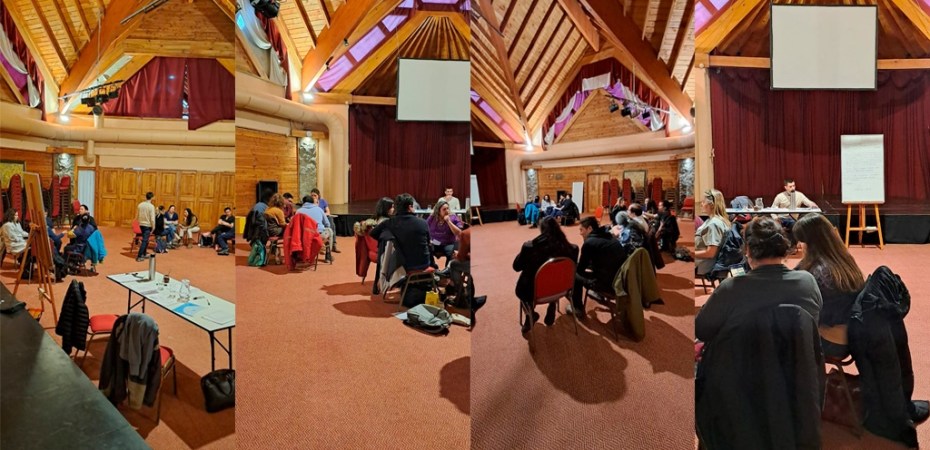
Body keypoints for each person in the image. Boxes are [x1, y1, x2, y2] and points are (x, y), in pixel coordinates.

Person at [695, 216, 823, 448]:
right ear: (783, 247)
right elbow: (811, 328)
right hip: (795, 378)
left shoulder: (731, 288)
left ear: (747, 250)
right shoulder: (807, 282)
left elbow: (702, 329)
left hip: (739, 384)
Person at [792, 213, 863, 358]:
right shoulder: (841, 259)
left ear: (811, 243)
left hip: (831, 342)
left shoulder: (820, 274)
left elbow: (811, 315)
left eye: (801, 241)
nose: (799, 245)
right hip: (851, 337)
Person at [513, 216, 579, 333]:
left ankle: (530, 314)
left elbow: (516, 267)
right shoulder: (572, 249)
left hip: (535, 291)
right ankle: (553, 302)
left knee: (521, 291)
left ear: (541, 229)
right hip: (561, 288)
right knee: (554, 277)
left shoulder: (530, 247)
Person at [572, 216, 627, 316]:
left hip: (608, 285)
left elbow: (580, 269)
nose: (580, 233)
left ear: (589, 229)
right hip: (621, 280)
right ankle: (597, 294)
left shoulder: (590, 243)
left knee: (575, 275)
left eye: (581, 230)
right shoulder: (608, 236)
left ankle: (577, 308)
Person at [370, 193, 432, 272]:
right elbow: (429, 242)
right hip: (423, 264)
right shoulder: (423, 222)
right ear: (410, 207)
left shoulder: (390, 223)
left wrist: (386, 238)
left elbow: (373, 233)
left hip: (400, 266)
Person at [694, 189, 731, 276]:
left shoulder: (714, 224)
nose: (701, 204)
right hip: (705, 261)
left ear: (711, 205)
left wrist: (692, 254)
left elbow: (710, 253)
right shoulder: (719, 220)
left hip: (704, 264)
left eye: (703, 202)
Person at [426, 199, 463, 267]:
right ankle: (433, 266)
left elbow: (459, 232)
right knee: (426, 249)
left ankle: (447, 270)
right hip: (435, 242)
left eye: (448, 208)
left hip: (448, 243)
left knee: (451, 253)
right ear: (438, 211)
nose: (447, 211)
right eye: (444, 209)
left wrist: (449, 221)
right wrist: (429, 239)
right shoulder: (432, 217)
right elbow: (424, 228)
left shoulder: (453, 217)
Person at [296, 195, 333, 262]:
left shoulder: (298, 211)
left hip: (303, 236)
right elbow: (327, 224)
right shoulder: (319, 209)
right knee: (330, 231)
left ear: (303, 202)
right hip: (318, 235)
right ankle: (328, 255)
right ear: (313, 202)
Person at [311, 188, 338, 253]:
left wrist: (322, 214)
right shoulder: (310, 203)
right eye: (312, 195)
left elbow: (328, 212)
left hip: (323, 217)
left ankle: (333, 244)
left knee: (331, 222)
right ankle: (324, 245)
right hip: (315, 220)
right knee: (329, 224)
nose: (313, 197)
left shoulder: (323, 201)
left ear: (318, 195)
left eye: (315, 195)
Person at [136, 192, 155, 261]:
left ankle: (144, 254)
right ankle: (139, 256)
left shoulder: (140, 205)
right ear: (152, 197)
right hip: (147, 225)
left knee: (146, 240)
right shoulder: (151, 206)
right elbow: (152, 218)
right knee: (144, 241)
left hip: (141, 224)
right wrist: (153, 226)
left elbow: (137, 215)